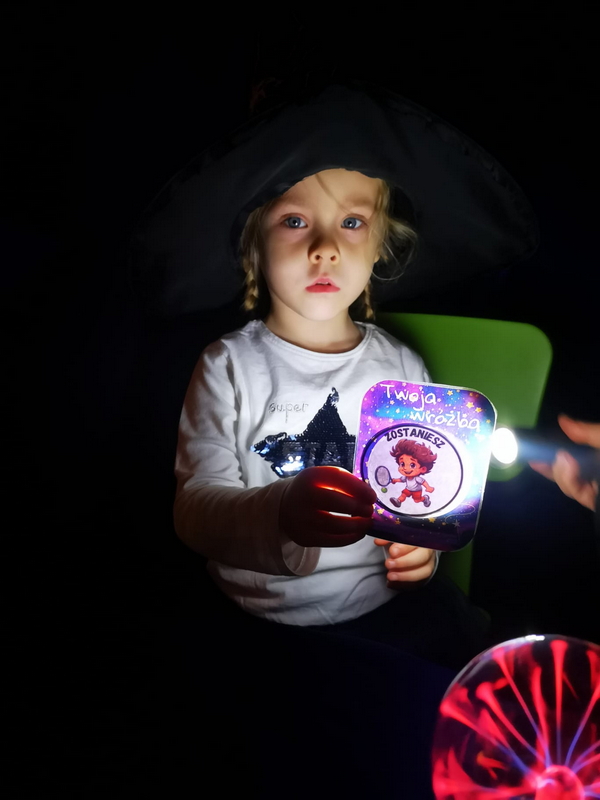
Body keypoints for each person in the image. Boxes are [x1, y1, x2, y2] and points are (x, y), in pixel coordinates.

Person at [131, 83, 540, 798]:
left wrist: (419, 551)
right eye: (295, 220)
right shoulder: (229, 366)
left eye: (352, 222)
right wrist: (281, 513)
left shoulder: (401, 367)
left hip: (386, 613)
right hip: (259, 621)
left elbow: (423, 495)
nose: (324, 247)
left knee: (460, 720)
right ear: (254, 242)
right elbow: (194, 509)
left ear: (381, 246)